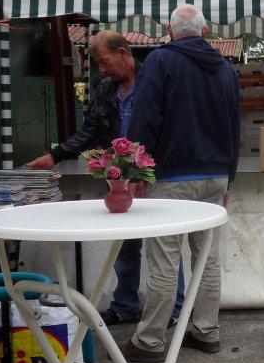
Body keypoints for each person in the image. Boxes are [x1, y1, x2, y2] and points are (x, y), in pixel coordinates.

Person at [26, 31, 185, 326]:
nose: (101, 70)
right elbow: (90, 131)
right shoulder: (104, 88)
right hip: (119, 177)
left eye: (104, 62)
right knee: (124, 246)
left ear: (122, 53)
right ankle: (125, 306)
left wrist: (149, 171)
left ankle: (174, 310)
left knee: (166, 246)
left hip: (154, 174)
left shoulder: (155, 80)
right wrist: (55, 155)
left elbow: (172, 128)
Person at [122, 5, 240, 363]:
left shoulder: (159, 61)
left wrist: (136, 172)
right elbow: (235, 125)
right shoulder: (224, 68)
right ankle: (206, 331)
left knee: (164, 261)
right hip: (214, 176)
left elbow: (145, 118)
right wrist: (228, 176)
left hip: (171, 178)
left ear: (170, 32)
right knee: (207, 258)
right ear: (205, 32)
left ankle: (150, 341)